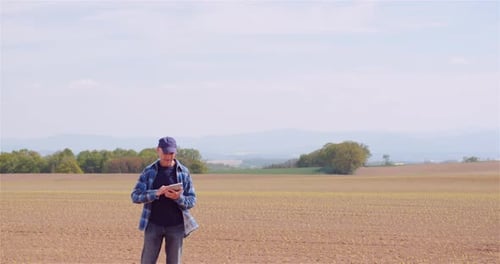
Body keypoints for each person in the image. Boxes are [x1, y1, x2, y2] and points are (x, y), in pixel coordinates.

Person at [131, 136, 198, 264]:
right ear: (158, 150)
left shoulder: (184, 172)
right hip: (153, 225)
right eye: (165, 153)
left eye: (171, 153)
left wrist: (179, 198)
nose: (168, 156)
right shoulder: (148, 171)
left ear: (176, 152)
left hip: (176, 227)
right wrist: (156, 193)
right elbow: (135, 196)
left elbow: (192, 200)